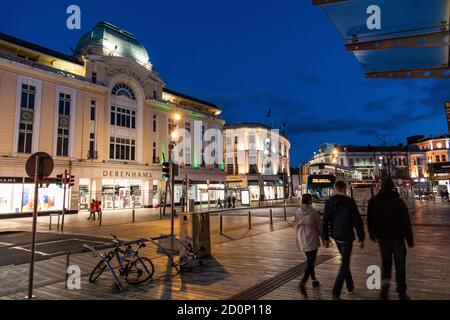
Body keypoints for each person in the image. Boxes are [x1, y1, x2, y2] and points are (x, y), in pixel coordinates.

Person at [367, 177, 414, 301]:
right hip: (397, 237)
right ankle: (401, 292)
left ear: (381, 187)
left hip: (382, 238)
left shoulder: (373, 201)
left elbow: (370, 220)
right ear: (392, 187)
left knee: (386, 263)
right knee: (400, 265)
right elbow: (405, 222)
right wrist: (409, 239)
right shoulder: (398, 201)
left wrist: (372, 234)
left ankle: (385, 286)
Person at [323, 180, 365, 300]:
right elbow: (357, 220)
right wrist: (361, 237)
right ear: (345, 189)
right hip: (347, 236)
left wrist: (326, 237)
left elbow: (325, 220)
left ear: (335, 188)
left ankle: (350, 286)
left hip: (336, 235)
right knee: (345, 263)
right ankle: (335, 292)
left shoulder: (329, 201)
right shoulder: (349, 201)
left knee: (345, 261)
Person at [295, 193, 323, 296]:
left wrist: (297, 240)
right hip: (311, 237)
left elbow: (296, 225)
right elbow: (319, 227)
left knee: (309, 260)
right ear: (310, 201)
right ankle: (303, 282)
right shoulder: (313, 212)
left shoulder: (298, 211)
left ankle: (314, 280)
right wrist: (324, 238)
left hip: (301, 237)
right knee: (311, 261)